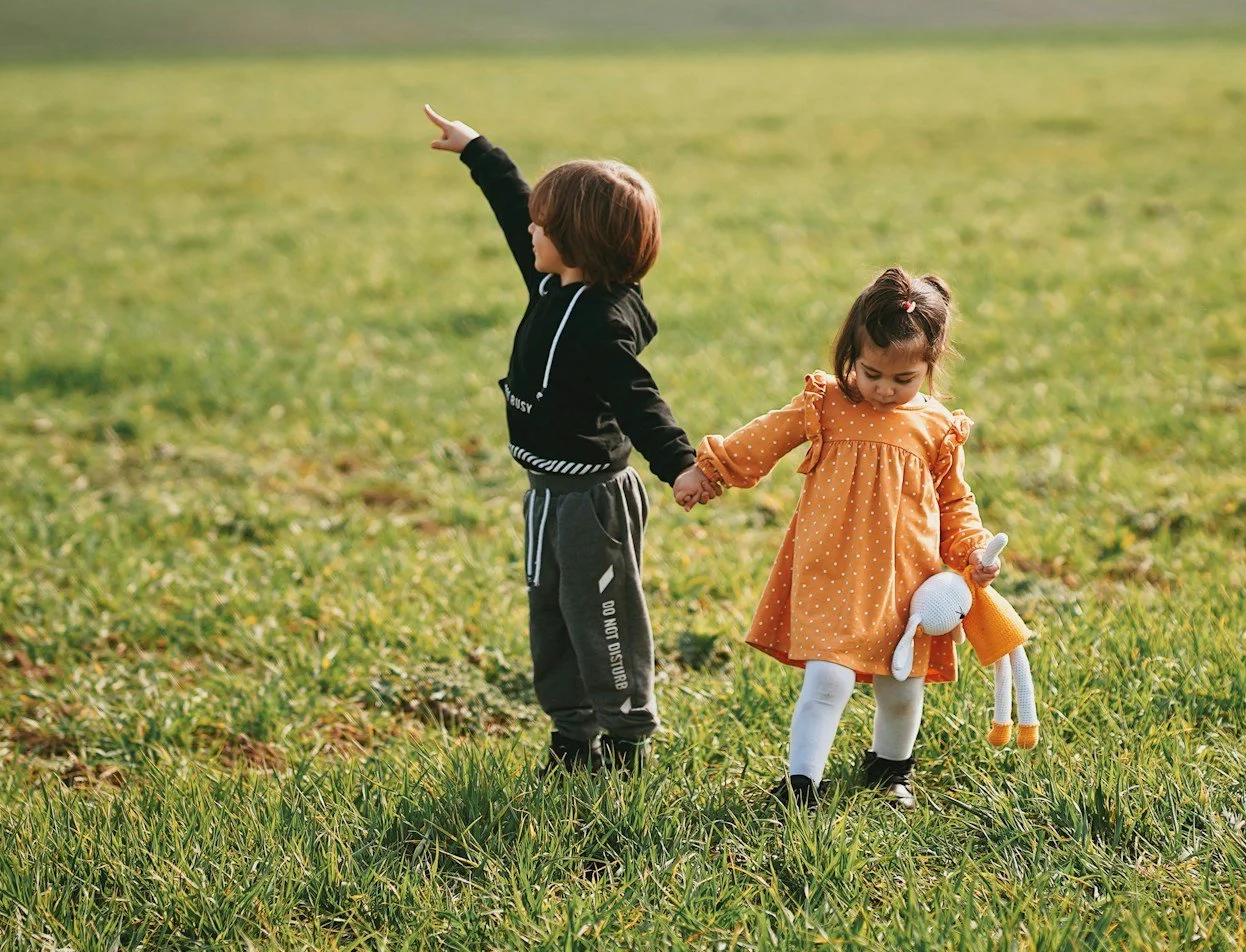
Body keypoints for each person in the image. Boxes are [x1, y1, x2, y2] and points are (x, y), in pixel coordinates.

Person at [423, 105, 710, 773]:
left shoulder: (604, 326)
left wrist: (681, 466)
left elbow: (642, 402)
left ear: (576, 242)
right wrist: (476, 150)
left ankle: (626, 736)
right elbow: (511, 205)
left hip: (592, 500)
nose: (531, 227)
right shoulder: (551, 281)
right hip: (545, 492)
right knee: (549, 613)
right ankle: (572, 734)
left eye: (544, 226)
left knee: (602, 614)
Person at [679, 268, 1030, 808]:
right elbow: (764, 437)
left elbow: (955, 501)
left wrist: (972, 554)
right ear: (851, 352)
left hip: (905, 581)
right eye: (871, 374)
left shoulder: (938, 428)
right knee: (828, 680)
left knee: (901, 685)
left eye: (903, 379)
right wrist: (713, 470)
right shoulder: (826, 404)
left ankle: (891, 769)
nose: (885, 390)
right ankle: (801, 784)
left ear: (929, 368)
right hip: (832, 571)